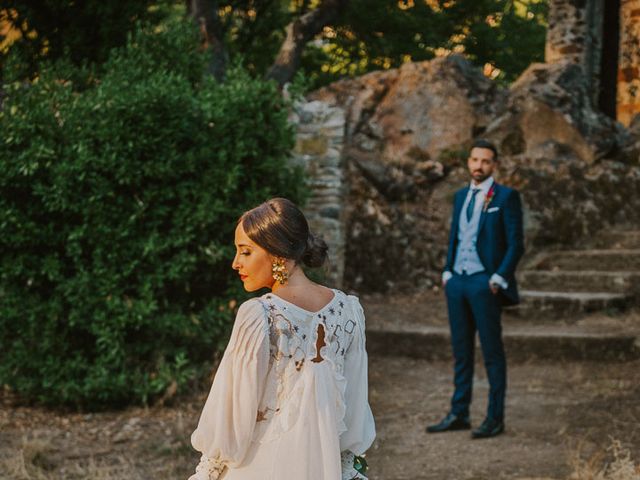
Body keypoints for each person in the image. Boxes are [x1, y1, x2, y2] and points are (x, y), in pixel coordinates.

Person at [188, 198, 376, 480]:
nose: (235, 263)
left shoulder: (258, 315)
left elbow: (231, 411)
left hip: (260, 466)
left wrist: (210, 468)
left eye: (245, 252)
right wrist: (345, 463)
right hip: (326, 465)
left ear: (277, 254)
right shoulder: (349, 311)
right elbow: (355, 404)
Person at [427, 139, 524, 439]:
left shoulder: (506, 197)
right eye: (474, 160)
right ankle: (459, 412)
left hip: (485, 283)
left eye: (485, 161)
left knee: (492, 353)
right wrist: (447, 272)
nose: (478, 166)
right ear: (468, 162)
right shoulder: (460, 197)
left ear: (494, 165)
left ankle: (495, 418)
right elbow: (456, 237)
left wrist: (497, 278)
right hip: (457, 282)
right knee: (461, 351)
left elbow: (516, 244)